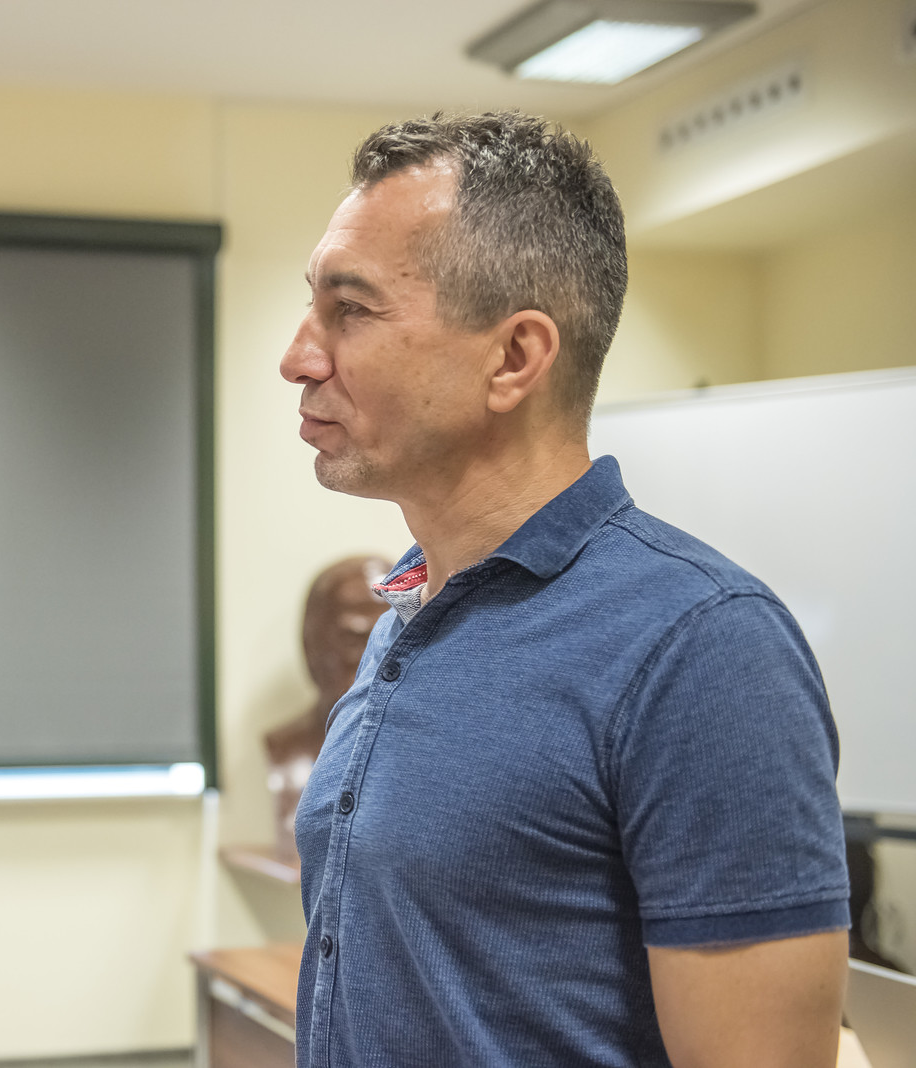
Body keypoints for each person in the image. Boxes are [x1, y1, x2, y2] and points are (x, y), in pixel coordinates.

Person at [281, 112, 849, 1067]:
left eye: (353, 310)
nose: (299, 356)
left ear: (514, 358)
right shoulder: (406, 617)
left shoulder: (704, 647)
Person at [263, 554, 391, 861]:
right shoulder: (285, 750)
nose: (376, 660)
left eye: (392, 640)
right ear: (311, 642)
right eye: (354, 639)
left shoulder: (430, 755)